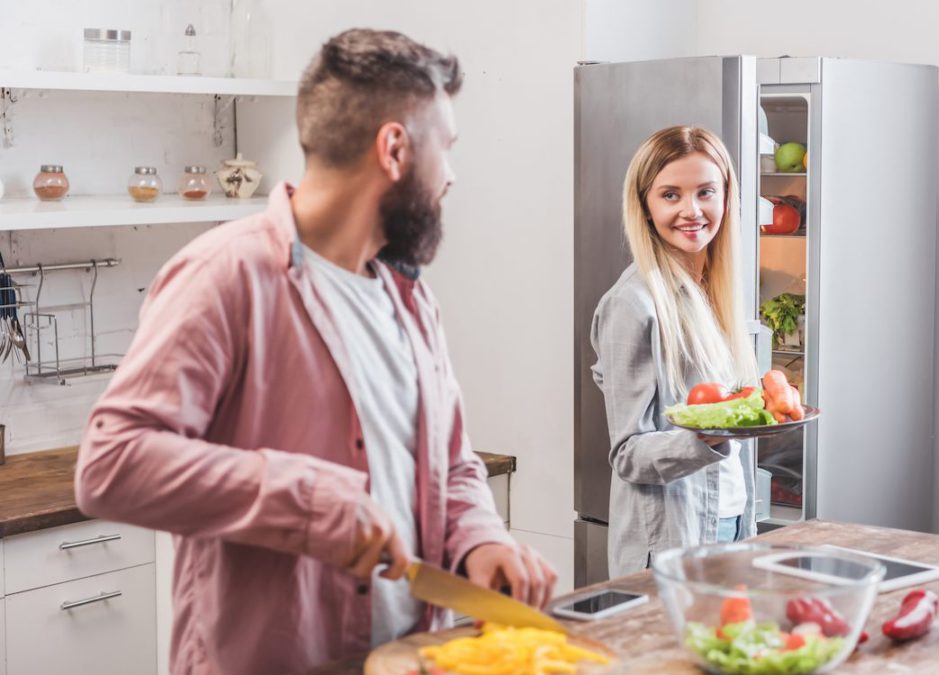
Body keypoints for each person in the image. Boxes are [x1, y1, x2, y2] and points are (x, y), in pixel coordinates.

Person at [74, 28, 556, 675]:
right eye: (447, 149)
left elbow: (450, 462)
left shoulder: (409, 297)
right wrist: (312, 501)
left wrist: (481, 538)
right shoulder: (226, 274)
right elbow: (111, 462)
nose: (452, 176)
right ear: (394, 149)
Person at [591, 125, 760, 578]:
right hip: (668, 543)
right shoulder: (633, 303)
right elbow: (627, 453)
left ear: (726, 197)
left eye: (706, 192)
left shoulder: (716, 292)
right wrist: (708, 437)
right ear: (645, 206)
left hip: (731, 524)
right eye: (670, 195)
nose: (692, 211)